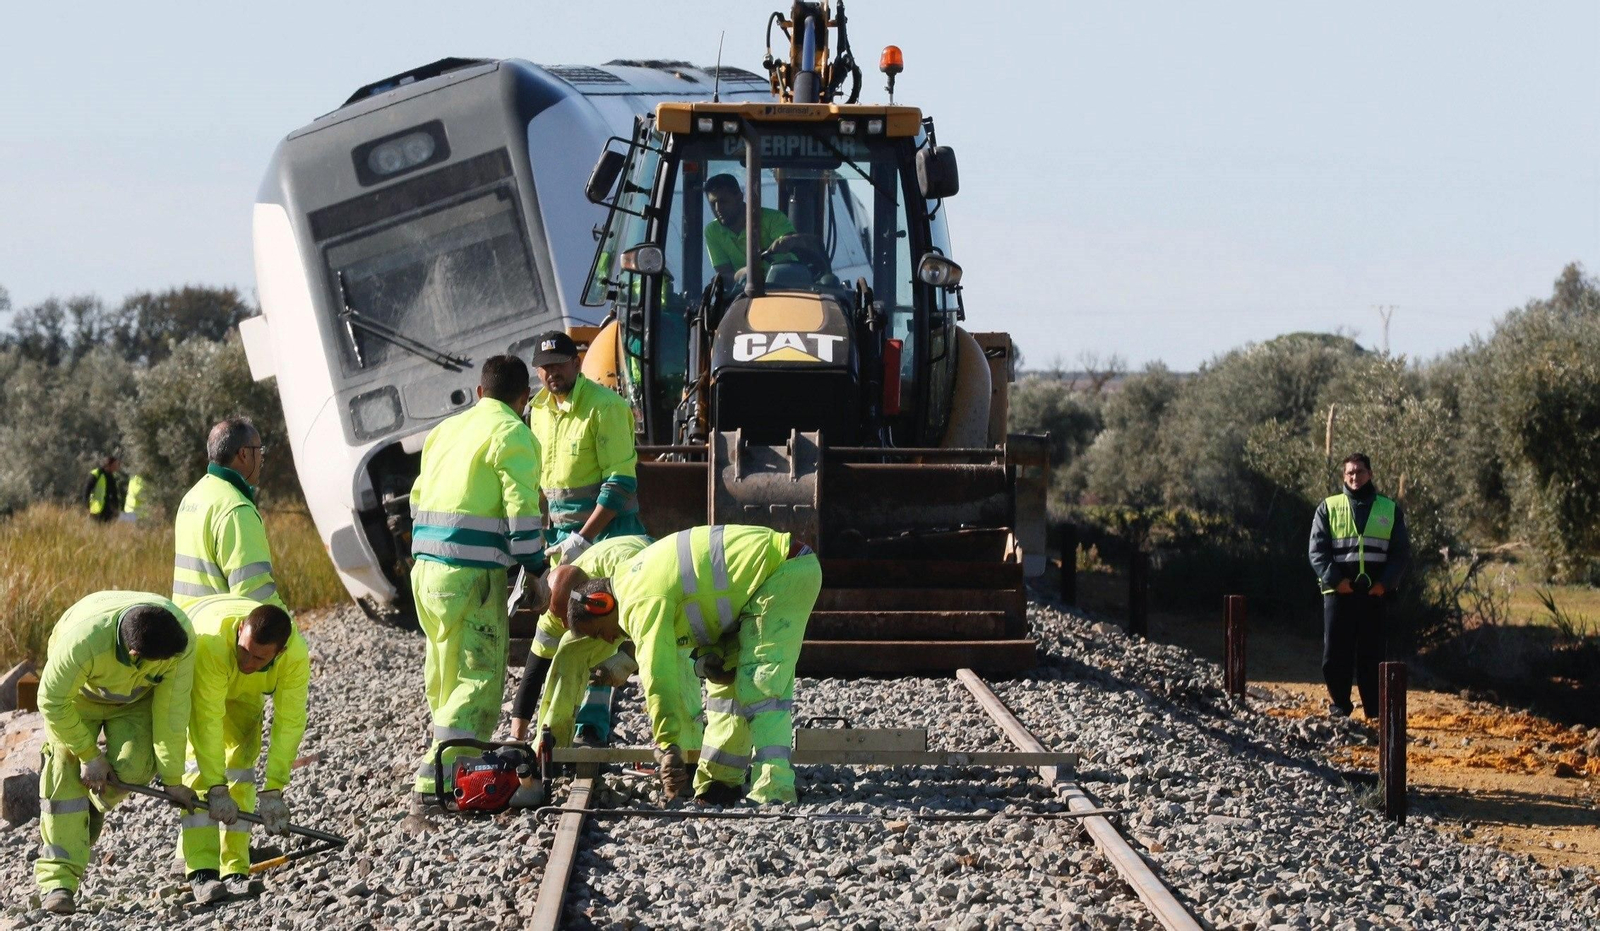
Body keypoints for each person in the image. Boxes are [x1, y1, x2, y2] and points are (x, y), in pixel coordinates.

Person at [567, 525, 821, 805]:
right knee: (725, 694)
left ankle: (774, 791)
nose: (608, 639)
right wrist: (707, 658)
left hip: (783, 571)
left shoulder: (638, 599)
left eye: (599, 632)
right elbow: (702, 604)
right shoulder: (635, 581)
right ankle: (719, 783)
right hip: (758, 586)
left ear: (600, 603)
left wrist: (668, 745)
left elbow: (658, 674)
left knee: (760, 684)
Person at [406, 355, 548, 819]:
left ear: (480, 392)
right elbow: (523, 510)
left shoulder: (445, 431)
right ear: (523, 399)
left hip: (427, 573)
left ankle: (457, 770)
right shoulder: (513, 434)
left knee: (444, 674)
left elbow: (417, 497)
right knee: (478, 677)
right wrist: (534, 565)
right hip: (472, 578)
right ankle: (438, 780)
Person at [35, 592, 198, 916]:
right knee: (64, 774)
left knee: (136, 770)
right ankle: (58, 882)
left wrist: (173, 780)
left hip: (134, 704)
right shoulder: (82, 643)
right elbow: (52, 701)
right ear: (135, 653)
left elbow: (172, 715)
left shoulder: (177, 638)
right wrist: (89, 755)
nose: (169, 666)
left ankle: (94, 807)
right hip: (76, 701)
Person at [178, 597, 309, 905]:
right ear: (240, 630)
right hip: (204, 668)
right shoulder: (213, 645)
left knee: (242, 766)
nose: (248, 662)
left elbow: (289, 723)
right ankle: (202, 870)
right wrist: (216, 786)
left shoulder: (296, 658)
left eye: (260, 659)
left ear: (280, 653)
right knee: (199, 771)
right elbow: (206, 722)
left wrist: (274, 788)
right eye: (245, 651)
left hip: (246, 691)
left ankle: (235, 867)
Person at [507, 534, 665, 747]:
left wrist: (628, 657)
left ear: (596, 604)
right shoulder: (556, 610)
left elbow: (659, 625)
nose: (564, 626)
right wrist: (515, 738)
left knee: (666, 665)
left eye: (570, 619)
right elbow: (534, 672)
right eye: (562, 618)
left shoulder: (627, 572)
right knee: (569, 652)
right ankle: (553, 745)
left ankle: (684, 747)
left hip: (650, 581)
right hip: (611, 596)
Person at [1308, 452, 1410, 717]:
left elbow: (1400, 553)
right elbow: (1317, 551)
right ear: (1344, 476)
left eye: (1360, 472)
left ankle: (1375, 711)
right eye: (1350, 473)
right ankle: (1340, 705)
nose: (1355, 477)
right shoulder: (1328, 508)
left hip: (1374, 596)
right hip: (1339, 594)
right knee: (1335, 655)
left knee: (1372, 655)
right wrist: (1336, 580)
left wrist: (1385, 584)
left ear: (1370, 474)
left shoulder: (1389, 509)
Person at [171, 418, 286, 613]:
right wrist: (291, 632)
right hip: (222, 637)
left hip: (188, 632)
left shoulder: (191, 498)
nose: (262, 458)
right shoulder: (236, 509)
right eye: (259, 450)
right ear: (243, 454)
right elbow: (255, 599)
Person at [703, 173, 797, 288]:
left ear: (739, 197)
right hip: (743, 293)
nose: (718, 209)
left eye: (723, 201)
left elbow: (792, 240)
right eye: (713, 204)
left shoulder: (773, 218)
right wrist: (745, 274)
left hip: (786, 287)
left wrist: (786, 242)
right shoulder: (713, 231)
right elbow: (724, 275)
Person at [83, 456, 123, 523]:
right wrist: (87, 505)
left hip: (107, 510)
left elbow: (114, 494)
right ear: (109, 465)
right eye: (115, 465)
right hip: (95, 509)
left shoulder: (112, 477)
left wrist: (116, 507)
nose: (117, 467)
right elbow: (87, 490)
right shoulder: (96, 474)